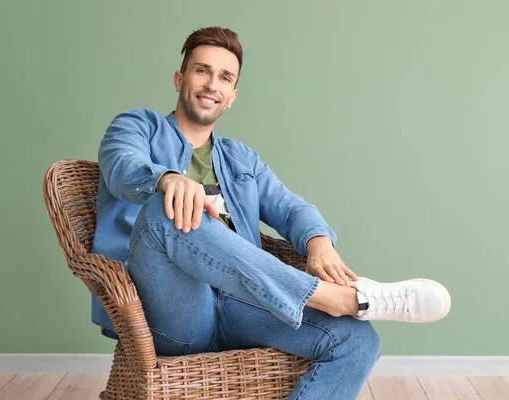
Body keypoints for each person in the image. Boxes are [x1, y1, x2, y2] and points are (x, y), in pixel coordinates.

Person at [91, 26, 451, 399]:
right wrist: (166, 179)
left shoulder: (241, 158)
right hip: (173, 312)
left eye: (224, 77)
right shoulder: (137, 126)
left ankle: (327, 298)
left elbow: (291, 207)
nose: (211, 84)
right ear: (180, 78)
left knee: (357, 339)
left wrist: (319, 245)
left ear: (232, 96)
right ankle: (331, 297)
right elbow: (121, 165)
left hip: (241, 303)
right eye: (202, 71)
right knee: (168, 210)